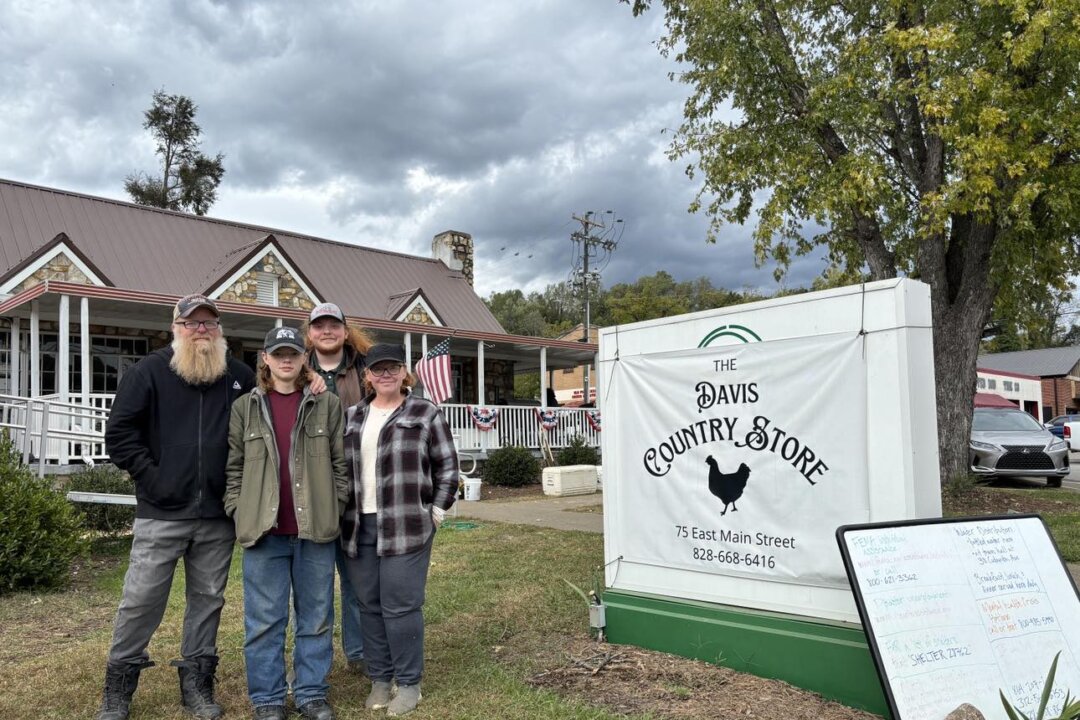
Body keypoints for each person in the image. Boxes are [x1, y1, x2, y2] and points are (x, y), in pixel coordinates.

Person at [97, 294, 256, 720]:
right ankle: (118, 686)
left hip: (217, 517)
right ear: (176, 327)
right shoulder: (147, 372)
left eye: (209, 322)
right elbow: (120, 436)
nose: (201, 329)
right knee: (141, 598)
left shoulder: (239, 376)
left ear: (219, 329)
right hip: (161, 512)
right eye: (192, 323)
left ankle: (197, 686)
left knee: (207, 600)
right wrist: (156, 479)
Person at [225, 326, 348, 720]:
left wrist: (334, 505)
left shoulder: (325, 405)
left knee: (315, 619)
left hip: (315, 532)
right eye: (278, 353)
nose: (286, 360)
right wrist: (239, 510)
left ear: (303, 359)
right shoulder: (245, 408)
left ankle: (311, 692)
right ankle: (269, 699)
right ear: (265, 359)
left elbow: (340, 465)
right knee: (264, 622)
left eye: (293, 353)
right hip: (264, 534)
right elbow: (234, 470)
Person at [339, 343, 459, 717]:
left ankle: (409, 684)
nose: (385, 374)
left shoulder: (425, 412)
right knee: (369, 606)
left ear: (404, 373)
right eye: (378, 369)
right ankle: (380, 677)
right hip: (358, 525)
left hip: (407, 525)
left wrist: (436, 511)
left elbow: (448, 468)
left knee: (401, 605)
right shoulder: (352, 416)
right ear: (368, 376)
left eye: (392, 368)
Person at [303, 302, 373, 675]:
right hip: (311, 492)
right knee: (314, 585)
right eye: (319, 326)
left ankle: (360, 653)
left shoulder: (366, 370)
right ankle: (316, 661)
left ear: (345, 331)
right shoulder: (291, 369)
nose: (327, 331)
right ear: (309, 333)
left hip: (358, 490)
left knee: (356, 578)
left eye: (334, 325)